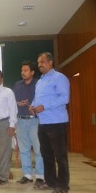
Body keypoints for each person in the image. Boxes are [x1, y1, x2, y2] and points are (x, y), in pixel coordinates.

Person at [29, 52, 70, 193]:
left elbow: (64, 98)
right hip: (43, 122)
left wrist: (44, 106)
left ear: (51, 62)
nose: (39, 64)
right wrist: (32, 106)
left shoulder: (59, 78)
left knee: (60, 156)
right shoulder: (40, 81)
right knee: (46, 154)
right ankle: (51, 182)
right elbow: (37, 99)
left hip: (57, 122)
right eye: (38, 62)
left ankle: (63, 186)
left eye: (42, 62)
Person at [13, 61, 44, 186]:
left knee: (38, 150)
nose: (23, 72)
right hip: (20, 120)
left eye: (25, 70)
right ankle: (27, 175)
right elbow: (12, 100)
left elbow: (42, 100)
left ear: (32, 72)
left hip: (35, 120)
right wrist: (17, 103)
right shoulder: (17, 84)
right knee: (24, 150)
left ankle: (41, 176)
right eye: (22, 70)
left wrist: (32, 105)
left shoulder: (39, 84)